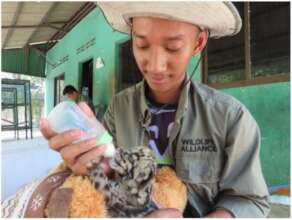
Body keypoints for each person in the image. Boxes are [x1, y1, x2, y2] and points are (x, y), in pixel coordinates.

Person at [40, 2, 270, 218]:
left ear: (198, 43)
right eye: (142, 45)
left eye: (173, 47)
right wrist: (94, 169)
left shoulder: (230, 117)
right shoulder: (119, 108)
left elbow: (251, 201)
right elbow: (109, 185)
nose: (156, 65)